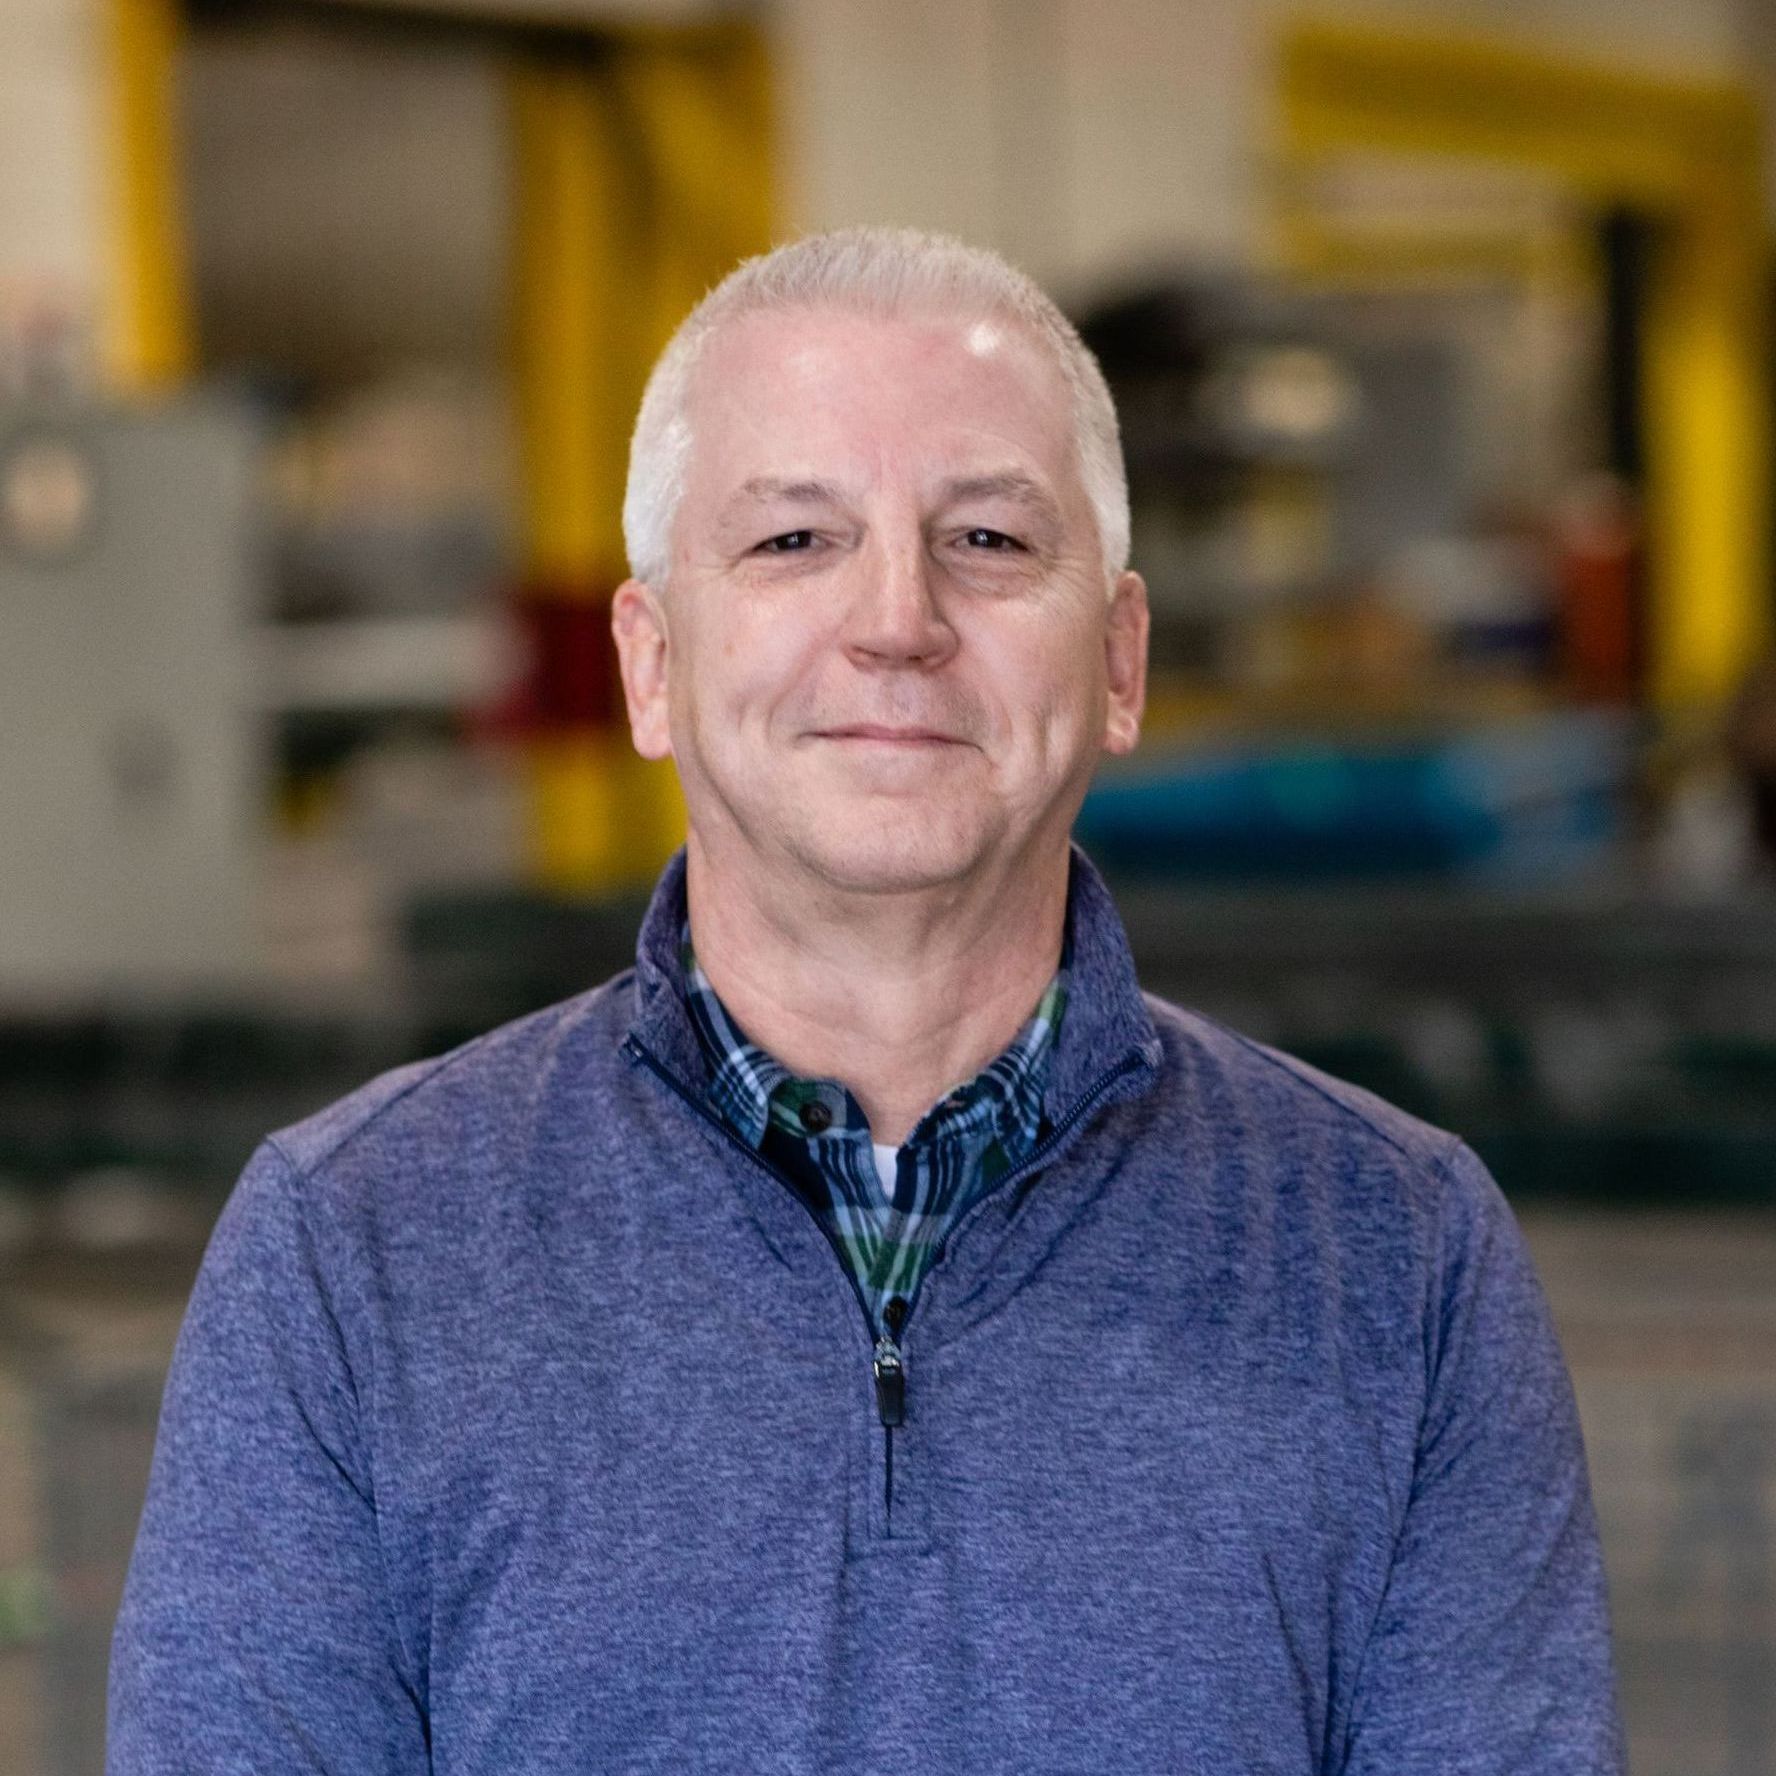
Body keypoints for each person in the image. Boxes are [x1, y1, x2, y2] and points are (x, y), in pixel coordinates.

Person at [108, 227, 1625, 1774]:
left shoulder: (1401, 1260)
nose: (897, 618)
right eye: (791, 543)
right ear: (651, 665)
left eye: (987, 541)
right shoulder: (350, 1253)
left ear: (1118, 659)